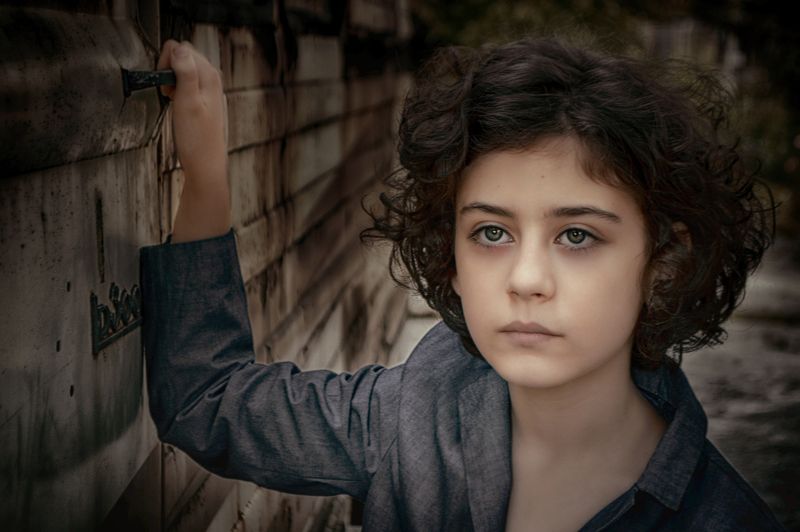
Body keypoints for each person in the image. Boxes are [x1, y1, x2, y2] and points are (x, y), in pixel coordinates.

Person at [140, 37, 786, 531]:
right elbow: (207, 400)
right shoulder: (407, 419)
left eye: (578, 236)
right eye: (492, 234)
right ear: (450, 254)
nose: (527, 280)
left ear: (664, 261)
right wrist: (204, 167)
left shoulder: (721, 517)